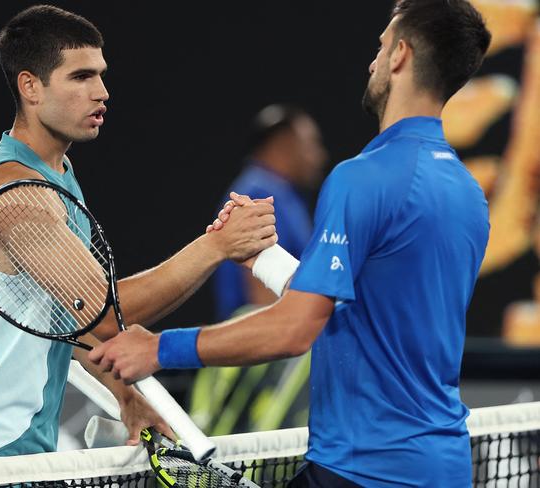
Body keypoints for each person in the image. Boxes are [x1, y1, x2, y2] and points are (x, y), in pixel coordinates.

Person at [89, 1, 492, 486]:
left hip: (364, 470)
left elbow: (295, 330)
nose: (373, 61)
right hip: (443, 469)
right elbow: (371, 312)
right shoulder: (468, 193)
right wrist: (263, 257)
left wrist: (158, 348)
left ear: (401, 54)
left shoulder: (362, 178)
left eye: (381, 46)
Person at [0, 5, 277, 463]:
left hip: (22, 455)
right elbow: (103, 314)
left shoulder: (57, 176)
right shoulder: (14, 194)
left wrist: (127, 396)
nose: (102, 92)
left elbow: (71, 327)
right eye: (81, 77)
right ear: (31, 87)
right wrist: (217, 246)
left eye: (101, 75)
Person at [213, 104, 327, 320]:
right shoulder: (258, 193)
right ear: (283, 145)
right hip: (265, 342)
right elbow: (262, 295)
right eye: (311, 145)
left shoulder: (281, 193)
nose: (319, 156)